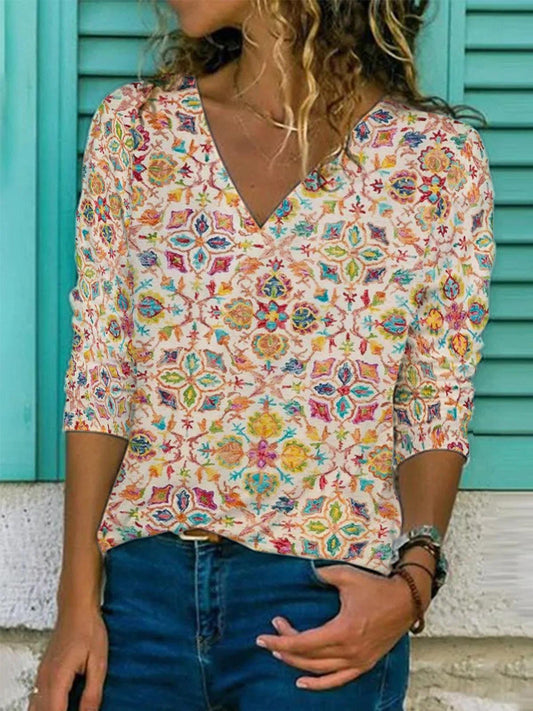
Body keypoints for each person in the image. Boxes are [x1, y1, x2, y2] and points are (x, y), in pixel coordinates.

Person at [29, 0, 495, 709]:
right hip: (140, 601)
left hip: (325, 603)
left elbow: (435, 397)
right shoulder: (137, 130)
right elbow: (100, 370)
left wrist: (412, 584)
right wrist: (76, 603)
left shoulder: (436, 160)